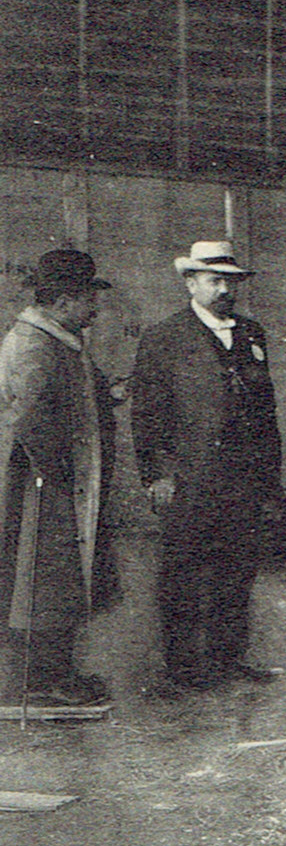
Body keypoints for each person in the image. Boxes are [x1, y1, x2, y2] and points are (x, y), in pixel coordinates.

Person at [132, 241, 282, 695]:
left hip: (245, 479)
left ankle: (228, 658)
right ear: (190, 283)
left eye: (229, 282)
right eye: (214, 281)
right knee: (183, 572)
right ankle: (182, 667)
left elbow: (266, 413)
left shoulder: (251, 334)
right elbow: (147, 414)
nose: (224, 290)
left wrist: (270, 479)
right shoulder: (164, 338)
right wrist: (157, 474)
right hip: (190, 478)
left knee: (236, 571)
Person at [0, 249, 117, 708]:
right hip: (42, 488)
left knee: (56, 582)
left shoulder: (57, 339)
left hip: (55, 484)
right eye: (90, 298)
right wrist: (63, 473)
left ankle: (54, 674)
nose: (95, 308)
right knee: (43, 584)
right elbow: (26, 419)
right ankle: (43, 682)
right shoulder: (34, 343)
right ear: (65, 301)